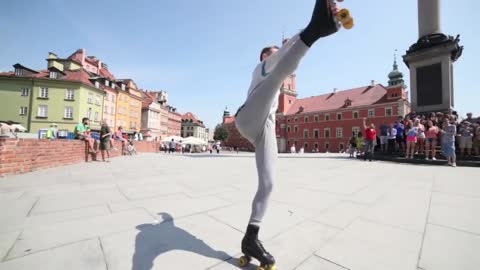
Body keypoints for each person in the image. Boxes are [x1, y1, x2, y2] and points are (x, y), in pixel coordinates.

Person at [233, 0, 341, 268]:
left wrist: (327, 24)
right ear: (263, 57)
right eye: (271, 53)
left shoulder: (281, 66)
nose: (276, 54)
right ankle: (316, 28)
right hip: (248, 116)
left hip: (265, 127)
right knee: (276, 75)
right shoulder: (262, 68)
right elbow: (283, 58)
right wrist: (314, 30)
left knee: (268, 183)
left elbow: (290, 54)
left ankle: (251, 237)